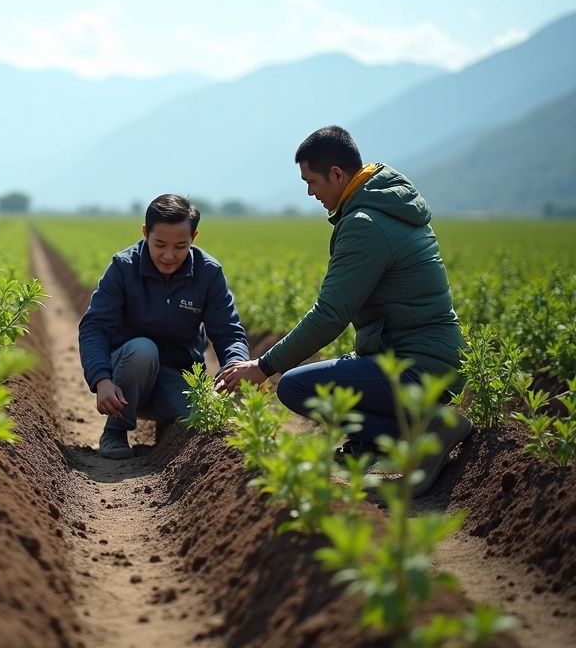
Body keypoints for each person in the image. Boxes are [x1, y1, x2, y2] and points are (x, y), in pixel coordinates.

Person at [215, 125, 469, 497]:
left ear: (337, 174)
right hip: (426, 360)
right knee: (340, 378)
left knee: (295, 386)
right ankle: (380, 441)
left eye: (312, 180)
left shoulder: (364, 224)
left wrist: (263, 366)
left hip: (419, 368)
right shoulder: (387, 205)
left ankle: (427, 431)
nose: (309, 192)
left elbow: (330, 314)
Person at [79, 194, 250, 459]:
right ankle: (116, 429)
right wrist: (101, 379)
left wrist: (236, 366)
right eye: (159, 244)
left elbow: (229, 331)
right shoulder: (124, 268)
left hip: (178, 374)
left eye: (180, 246)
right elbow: (94, 327)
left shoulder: (208, 273)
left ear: (194, 237)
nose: (169, 255)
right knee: (142, 350)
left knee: (205, 420)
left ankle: (168, 430)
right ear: (145, 233)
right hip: (128, 375)